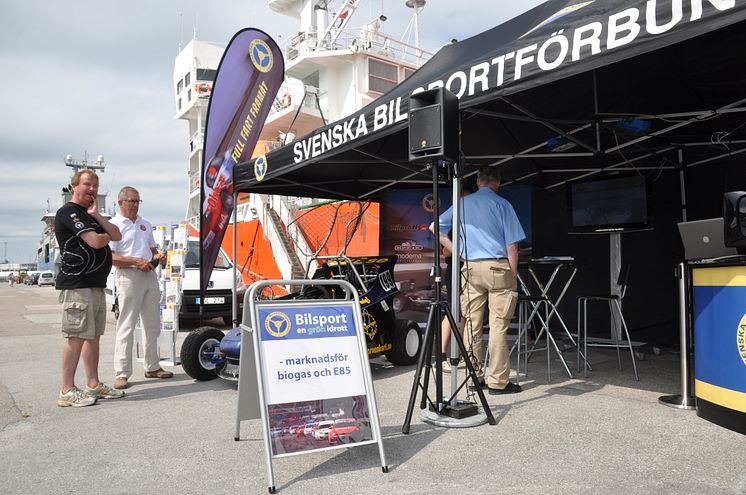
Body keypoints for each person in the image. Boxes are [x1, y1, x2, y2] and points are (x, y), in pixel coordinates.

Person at [435, 166, 525, 394]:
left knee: (472, 324)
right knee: (497, 326)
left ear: (477, 182)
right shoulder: (503, 204)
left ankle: (475, 377)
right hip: (498, 266)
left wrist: (458, 252)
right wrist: (512, 275)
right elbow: (512, 246)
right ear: (498, 183)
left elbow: (435, 227)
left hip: (470, 267)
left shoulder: (462, 203)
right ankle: (498, 382)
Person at [55, 169, 125, 407]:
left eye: (96, 185)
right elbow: (96, 241)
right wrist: (104, 234)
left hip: (94, 284)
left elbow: (117, 234)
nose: (92, 189)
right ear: (75, 186)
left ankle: (93, 384)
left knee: (92, 336)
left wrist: (98, 218)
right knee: (76, 336)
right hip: (77, 284)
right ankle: (66, 389)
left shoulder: (90, 214)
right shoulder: (68, 212)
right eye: (87, 184)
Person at [109, 186, 172, 390]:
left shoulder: (145, 224)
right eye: (132, 201)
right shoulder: (113, 225)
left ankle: (152, 366)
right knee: (126, 325)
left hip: (149, 275)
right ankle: (122, 372)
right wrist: (136, 262)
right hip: (128, 276)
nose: (135, 204)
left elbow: (152, 250)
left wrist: (159, 256)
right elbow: (111, 257)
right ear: (121, 202)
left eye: (138, 201)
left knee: (152, 324)